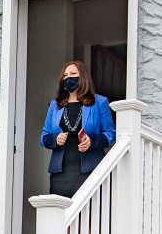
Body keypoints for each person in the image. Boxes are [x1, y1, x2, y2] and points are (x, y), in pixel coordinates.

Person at [39, 61, 116, 197]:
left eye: (73, 74)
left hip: (91, 170)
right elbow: (44, 137)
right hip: (61, 172)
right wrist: (55, 139)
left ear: (83, 77)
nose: (69, 78)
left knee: (89, 213)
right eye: (65, 75)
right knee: (61, 214)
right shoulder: (55, 105)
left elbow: (110, 135)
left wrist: (91, 141)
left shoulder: (100, 102)